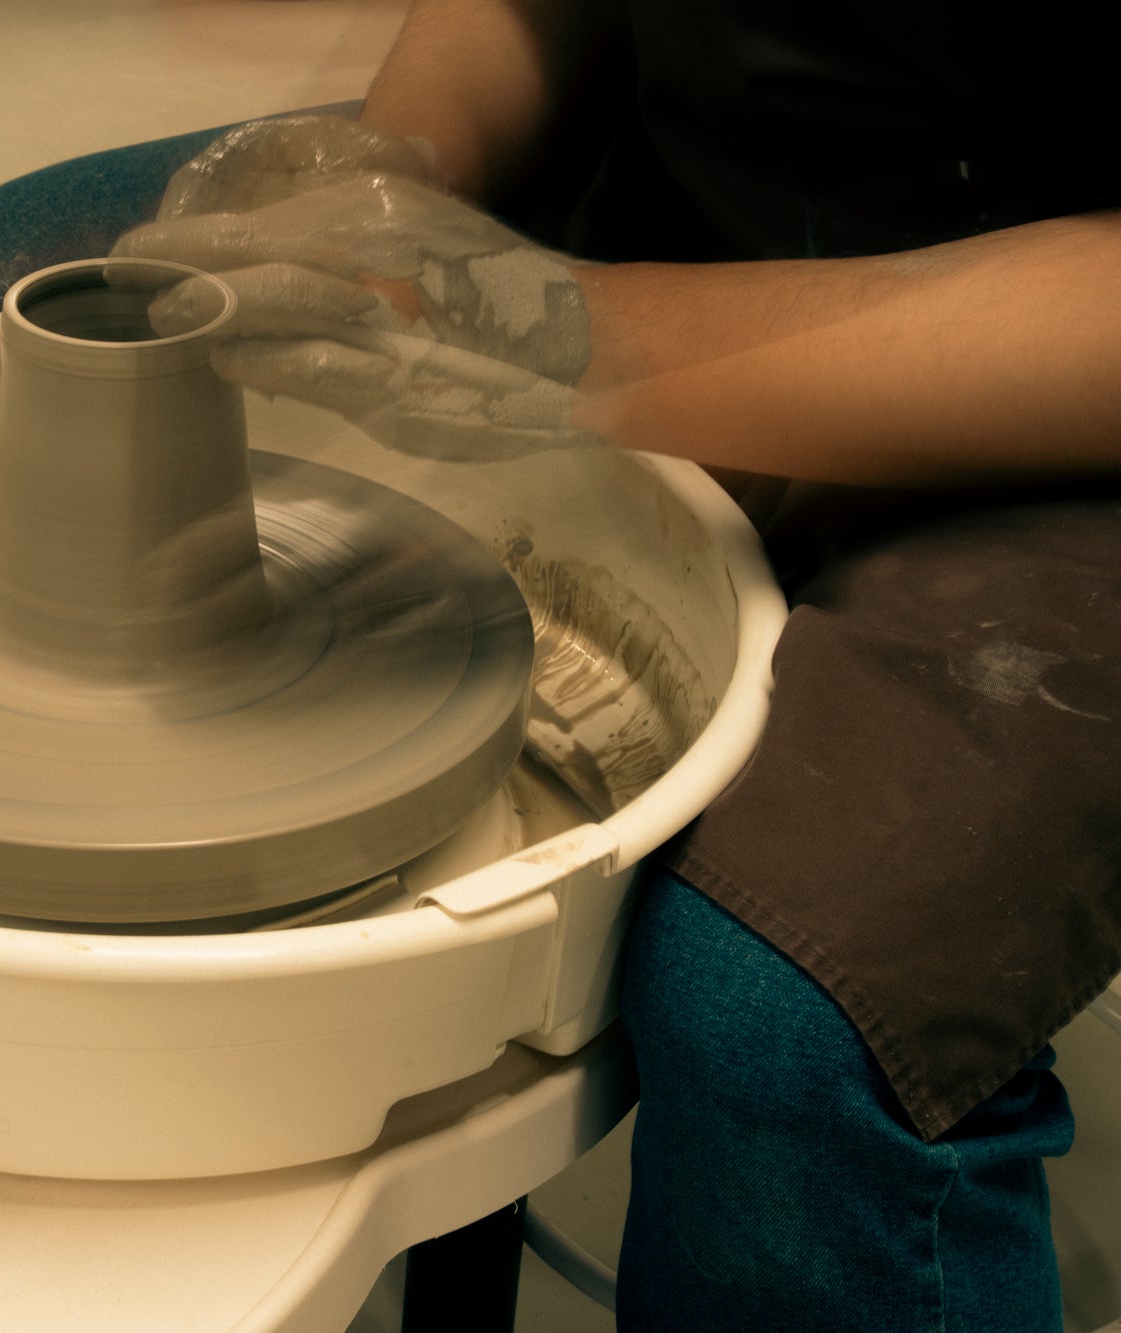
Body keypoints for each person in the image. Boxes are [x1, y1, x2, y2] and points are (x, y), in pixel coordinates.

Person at [103, 1, 1121, 1328]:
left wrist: (590, 340)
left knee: (778, 1007)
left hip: (1060, 407)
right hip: (695, 218)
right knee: (59, 309)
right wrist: (395, 165)